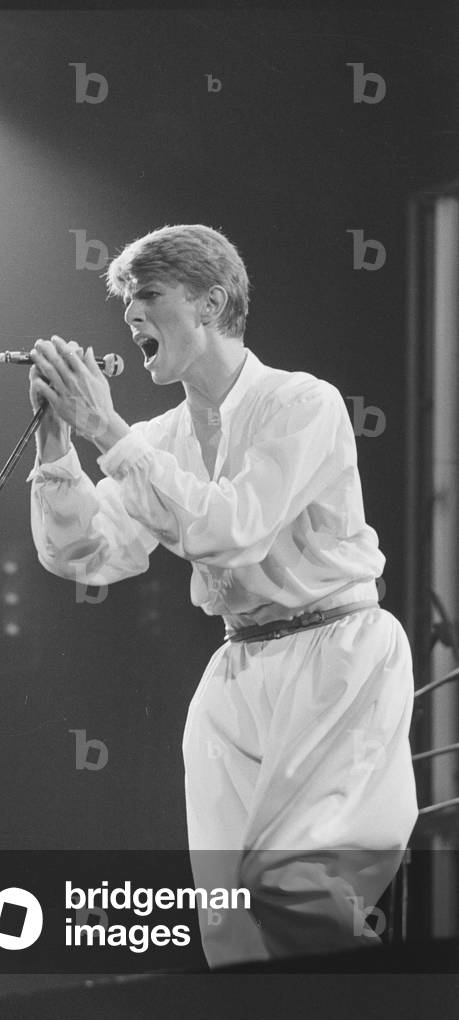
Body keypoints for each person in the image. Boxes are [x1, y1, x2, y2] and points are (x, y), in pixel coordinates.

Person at [25, 223, 418, 966]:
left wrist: (105, 427)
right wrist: (57, 444)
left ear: (209, 304)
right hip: (238, 670)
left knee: (301, 892)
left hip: (336, 657)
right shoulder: (161, 438)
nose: (130, 318)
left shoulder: (301, 404)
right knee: (230, 925)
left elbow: (235, 528)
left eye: (147, 297)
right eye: (125, 305)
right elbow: (86, 550)